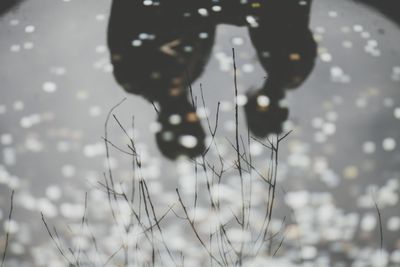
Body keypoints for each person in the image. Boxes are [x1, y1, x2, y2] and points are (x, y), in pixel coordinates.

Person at [108, 0, 317, 159]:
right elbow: (204, 19)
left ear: (164, 125)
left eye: (188, 125)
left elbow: (191, 17)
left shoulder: (136, 77)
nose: (192, 116)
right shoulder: (188, 73)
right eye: (194, 123)